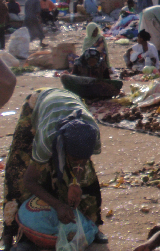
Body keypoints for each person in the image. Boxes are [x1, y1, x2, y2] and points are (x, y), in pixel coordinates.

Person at [2, 88, 108, 248]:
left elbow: (82, 163)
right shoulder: (47, 138)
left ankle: (93, 227)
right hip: (38, 103)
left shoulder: (92, 133)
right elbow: (29, 180)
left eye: (82, 159)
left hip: (69, 99)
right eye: (74, 159)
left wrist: (75, 183)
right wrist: (58, 205)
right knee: (17, 171)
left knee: (88, 179)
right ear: (62, 148)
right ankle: (9, 232)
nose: (79, 163)